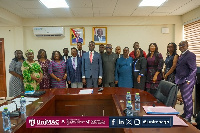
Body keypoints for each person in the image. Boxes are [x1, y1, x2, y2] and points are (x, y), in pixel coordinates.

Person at [175, 41, 197, 122]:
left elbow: (194, 69)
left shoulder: (190, 55)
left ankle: (189, 116)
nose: (181, 46)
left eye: (183, 45)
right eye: (180, 45)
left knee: (188, 99)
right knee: (184, 99)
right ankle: (185, 113)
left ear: (187, 46)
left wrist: (188, 80)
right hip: (181, 80)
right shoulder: (182, 55)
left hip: (187, 81)